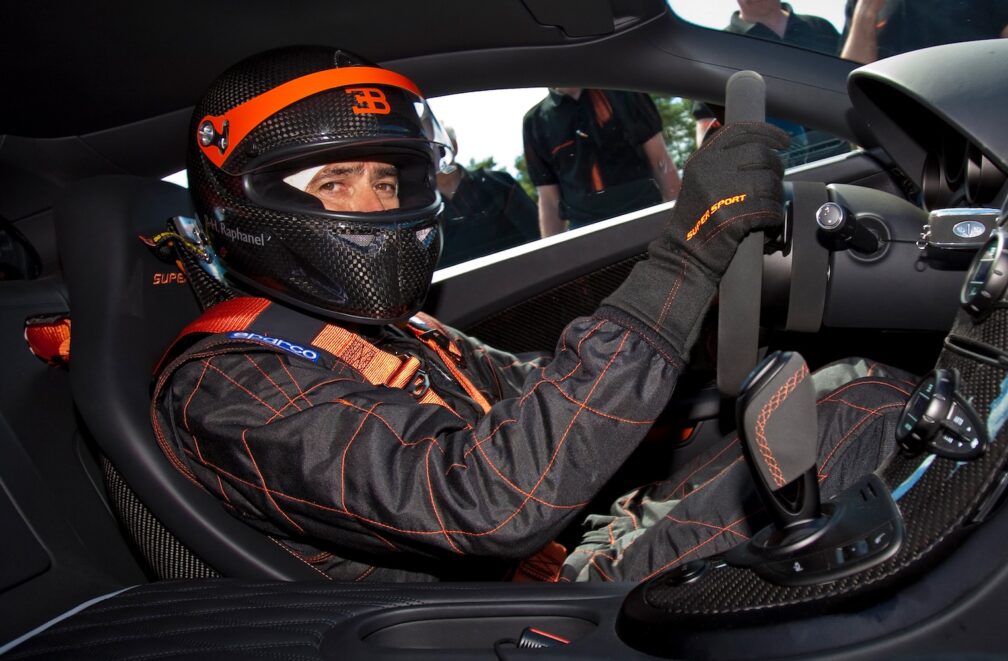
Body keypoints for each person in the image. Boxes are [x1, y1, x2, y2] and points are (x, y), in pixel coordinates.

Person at [152, 45, 912, 582]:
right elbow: (486, 500)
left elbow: (539, 393)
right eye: (337, 181)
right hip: (527, 616)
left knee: (841, 388)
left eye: (387, 182)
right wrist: (688, 254)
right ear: (253, 202)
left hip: (575, 539)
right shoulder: (228, 386)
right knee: (871, 410)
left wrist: (686, 357)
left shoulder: (395, 333)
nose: (374, 206)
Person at [522, 88, 680, 237]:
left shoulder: (625, 92)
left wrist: (686, 221)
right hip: (586, 233)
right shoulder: (535, 122)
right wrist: (552, 258)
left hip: (646, 214)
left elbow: (660, 161)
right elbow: (549, 199)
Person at [693, 0, 840, 149]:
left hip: (848, 161)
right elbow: (707, 124)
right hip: (778, 169)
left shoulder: (820, 27)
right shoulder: (718, 49)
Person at [434, 126, 539, 268]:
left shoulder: (499, 184)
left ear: (454, 146)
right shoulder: (417, 208)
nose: (432, 153)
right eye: (424, 147)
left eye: (436, 145)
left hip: (519, 279)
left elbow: (537, 234)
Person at [841, 0, 1008, 64]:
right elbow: (844, 89)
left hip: (978, 128)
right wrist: (866, 12)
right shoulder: (860, 7)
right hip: (898, 137)